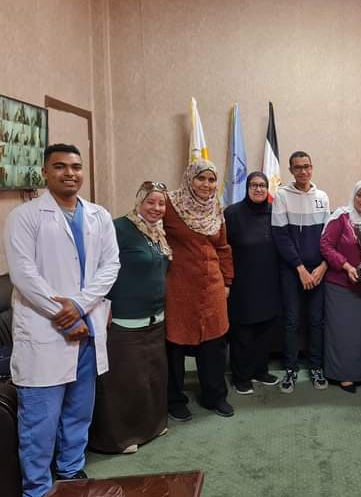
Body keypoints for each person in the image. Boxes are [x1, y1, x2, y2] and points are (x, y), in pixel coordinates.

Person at [4, 143, 120, 497]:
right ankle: (37, 489)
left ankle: (71, 472)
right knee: (40, 422)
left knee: (78, 413)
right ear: (45, 172)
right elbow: (23, 274)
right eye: (60, 166)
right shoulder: (24, 216)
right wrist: (65, 316)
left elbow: (111, 265)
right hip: (46, 333)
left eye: (76, 167)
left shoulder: (99, 215)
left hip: (87, 330)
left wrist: (80, 306)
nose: (70, 173)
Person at [89, 181, 172, 454]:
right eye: (150, 202)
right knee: (125, 382)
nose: (156, 208)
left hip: (155, 319)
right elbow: (98, 268)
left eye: (161, 203)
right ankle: (121, 437)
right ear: (139, 201)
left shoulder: (157, 232)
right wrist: (102, 303)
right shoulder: (119, 228)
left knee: (152, 378)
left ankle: (152, 427)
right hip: (124, 321)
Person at [164, 160, 234, 420]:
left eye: (211, 180)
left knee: (214, 345)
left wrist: (227, 281)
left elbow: (223, 247)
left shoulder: (216, 207)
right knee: (175, 345)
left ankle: (215, 396)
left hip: (212, 287)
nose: (206, 184)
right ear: (189, 179)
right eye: (200, 178)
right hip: (179, 287)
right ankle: (174, 400)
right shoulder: (170, 205)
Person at [272, 151, 331, 393]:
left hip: (318, 271)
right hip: (291, 270)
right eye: (298, 167)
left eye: (307, 166)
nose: (303, 171)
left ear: (312, 167)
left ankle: (316, 367)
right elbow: (280, 237)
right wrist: (300, 268)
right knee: (292, 321)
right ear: (291, 170)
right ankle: (290, 368)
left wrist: (323, 266)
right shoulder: (281, 196)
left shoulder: (322, 197)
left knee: (316, 321)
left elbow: (328, 237)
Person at [320, 180, 361, 393]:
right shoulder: (341, 217)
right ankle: (343, 374)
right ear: (353, 196)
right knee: (342, 333)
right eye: (360, 195)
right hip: (340, 285)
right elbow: (325, 245)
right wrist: (346, 266)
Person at [224, 172, 282, 395]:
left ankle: (260, 370)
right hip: (243, 284)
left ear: (268, 189)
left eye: (262, 185)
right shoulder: (233, 213)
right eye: (254, 185)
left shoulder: (275, 212)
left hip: (269, 282)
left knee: (265, 331)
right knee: (242, 333)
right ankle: (241, 377)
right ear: (247, 188)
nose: (258, 189)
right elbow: (223, 249)